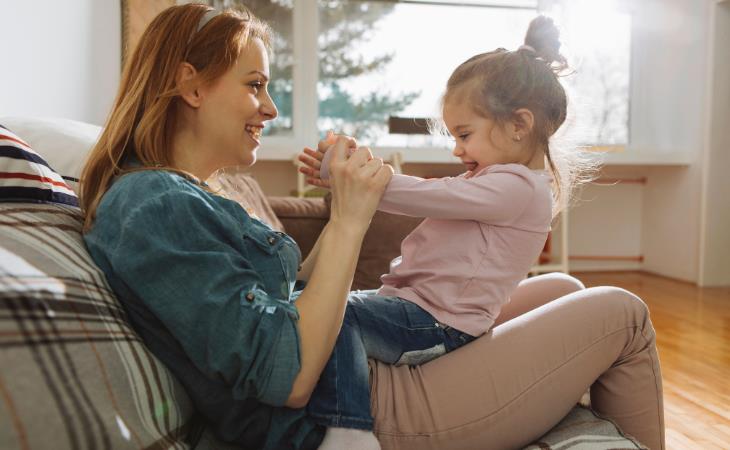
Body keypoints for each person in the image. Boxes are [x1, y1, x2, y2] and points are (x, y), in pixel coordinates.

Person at [79, 4, 665, 450]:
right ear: (192, 86)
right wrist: (351, 215)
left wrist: (355, 206)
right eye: (255, 85)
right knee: (622, 311)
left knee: (566, 290)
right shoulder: (153, 204)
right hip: (375, 399)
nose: (271, 108)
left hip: (395, 346)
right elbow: (285, 367)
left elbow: (281, 296)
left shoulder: (187, 195)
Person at [296, 16, 587, 448]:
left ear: (519, 125)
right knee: (319, 302)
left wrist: (361, 176)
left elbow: (427, 195)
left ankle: (350, 431)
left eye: (465, 134)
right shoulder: (498, 182)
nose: (457, 148)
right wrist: (354, 174)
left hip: (439, 324)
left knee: (338, 314)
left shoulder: (517, 188)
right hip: (418, 312)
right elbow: (429, 193)